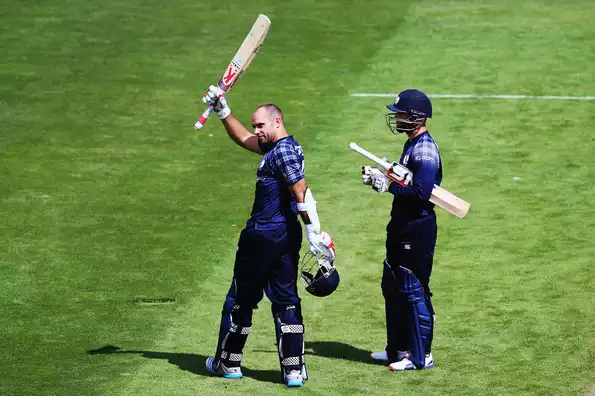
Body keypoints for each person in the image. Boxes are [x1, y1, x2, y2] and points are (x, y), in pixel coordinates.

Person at [200, 85, 336, 387]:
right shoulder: (279, 148)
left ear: (277, 122)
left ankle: (227, 363)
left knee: (239, 300)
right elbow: (243, 139)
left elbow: (300, 189)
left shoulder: (283, 151)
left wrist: (314, 231)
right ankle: (293, 371)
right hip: (285, 238)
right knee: (286, 302)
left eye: (261, 125)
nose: (256, 131)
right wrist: (223, 110)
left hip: (262, 236)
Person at [362, 89, 440, 371]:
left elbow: (421, 193)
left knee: (412, 288)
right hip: (400, 226)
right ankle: (397, 350)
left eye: (401, 113)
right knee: (393, 286)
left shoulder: (425, 149)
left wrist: (389, 187)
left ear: (417, 117)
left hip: (417, 229)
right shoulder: (411, 144)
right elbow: (406, 182)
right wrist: (380, 178)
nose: (396, 117)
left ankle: (421, 357)